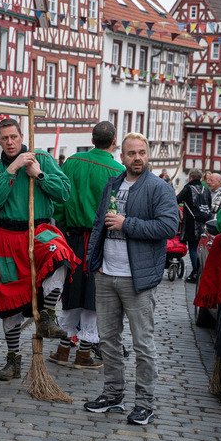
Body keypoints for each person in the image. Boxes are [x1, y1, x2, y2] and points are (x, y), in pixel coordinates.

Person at [84, 132, 178, 425]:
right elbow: (99, 223)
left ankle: (144, 404)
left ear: (147, 155)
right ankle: (113, 395)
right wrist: (94, 262)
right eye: (131, 153)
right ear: (121, 156)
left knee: (143, 345)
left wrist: (127, 224)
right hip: (106, 274)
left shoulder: (159, 188)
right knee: (108, 341)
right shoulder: (112, 184)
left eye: (142, 152)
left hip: (137, 279)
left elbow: (168, 227)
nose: (137, 158)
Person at [0, 118, 80, 381]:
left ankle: (47, 315)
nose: (10, 142)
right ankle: (13, 359)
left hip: (39, 230)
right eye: (5, 138)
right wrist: (12, 169)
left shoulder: (43, 159)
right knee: (9, 301)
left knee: (59, 254)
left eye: (13, 137)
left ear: (21, 136)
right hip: (7, 237)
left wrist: (39, 174)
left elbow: (64, 193)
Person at [50, 121, 124, 369]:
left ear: (92, 140)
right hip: (100, 241)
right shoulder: (117, 170)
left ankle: (63, 349)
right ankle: (83, 353)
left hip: (71, 237)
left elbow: (59, 200)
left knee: (71, 292)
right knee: (93, 296)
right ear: (114, 142)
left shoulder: (72, 162)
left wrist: (63, 224)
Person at [177, 168, 212, 283]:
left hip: (192, 223)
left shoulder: (188, 188)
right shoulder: (206, 190)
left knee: (192, 247)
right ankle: (200, 272)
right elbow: (209, 205)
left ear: (190, 178)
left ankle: (196, 273)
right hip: (204, 223)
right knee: (200, 247)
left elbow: (177, 200)